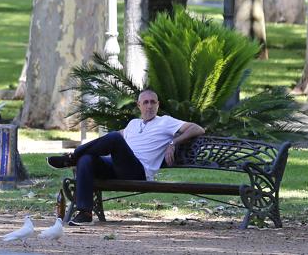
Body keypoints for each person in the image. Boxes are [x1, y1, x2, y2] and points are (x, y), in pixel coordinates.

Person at [48, 89, 205, 224]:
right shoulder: (133, 124)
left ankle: (71, 157)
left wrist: (173, 142)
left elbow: (197, 129)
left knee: (114, 138)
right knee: (87, 159)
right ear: (139, 106)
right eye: (145, 103)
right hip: (118, 167)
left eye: (153, 102)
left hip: (138, 172)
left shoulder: (166, 122)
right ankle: (85, 213)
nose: (149, 106)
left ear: (158, 105)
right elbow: (109, 141)